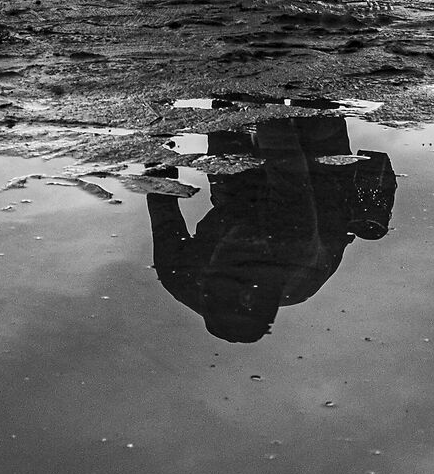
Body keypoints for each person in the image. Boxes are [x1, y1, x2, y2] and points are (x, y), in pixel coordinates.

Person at [147, 115, 396, 343]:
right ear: (268, 276)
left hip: (238, 200)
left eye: (232, 253)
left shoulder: (180, 274)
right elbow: (284, 155)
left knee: (229, 108)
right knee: (315, 112)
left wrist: (156, 139)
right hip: (320, 201)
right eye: (249, 254)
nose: (243, 242)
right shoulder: (297, 254)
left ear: (208, 274)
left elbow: (161, 199)